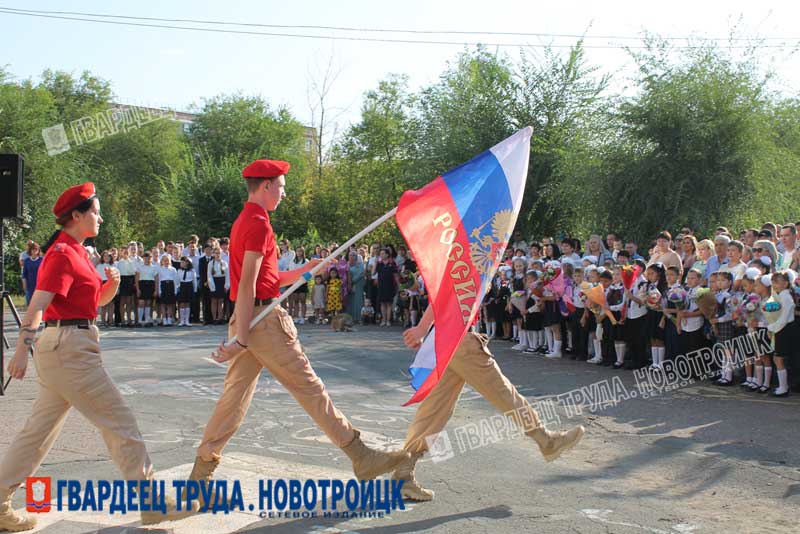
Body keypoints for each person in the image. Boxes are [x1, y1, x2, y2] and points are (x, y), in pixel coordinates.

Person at [187, 159, 409, 509]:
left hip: (250, 316)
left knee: (233, 400)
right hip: (262, 322)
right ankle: (360, 454)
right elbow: (247, 285)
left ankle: (199, 478)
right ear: (266, 187)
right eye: (282, 185)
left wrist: (304, 271)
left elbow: (266, 281)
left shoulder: (246, 220)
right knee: (309, 387)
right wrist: (242, 339)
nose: (285, 192)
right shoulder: (259, 224)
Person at [0, 183, 194, 531]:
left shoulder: (77, 251)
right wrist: (19, 351)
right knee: (120, 422)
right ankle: (152, 502)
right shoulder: (62, 253)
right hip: (71, 350)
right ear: (77, 215)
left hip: (71, 345)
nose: (101, 218)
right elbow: (39, 305)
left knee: (37, 434)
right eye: (95, 212)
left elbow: (87, 306)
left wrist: (111, 288)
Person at [393, 305, 585, 502]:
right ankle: (545, 439)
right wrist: (423, 327)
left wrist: (425, 328)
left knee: (435, 410)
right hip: (460, 341)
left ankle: (403, 473)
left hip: (448, 339)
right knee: (502, 392)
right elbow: (445, 290)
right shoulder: (474, 271)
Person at [207, 247, 230, 325]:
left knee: (220, 301)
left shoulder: (224, 263)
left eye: (219, 253)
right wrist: (212, 286)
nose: (217, 255)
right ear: (213, 254)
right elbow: (209, 275)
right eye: (216, 253)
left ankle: (220, 318)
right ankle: (214, 318)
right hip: (214, 281)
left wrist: (227, 285)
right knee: (214, 301)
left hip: (222, 282)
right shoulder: (210, 264)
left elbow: (227, 275)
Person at [134, 252, 158, 327]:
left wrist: (156, 290)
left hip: (150, 285)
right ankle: (140, 320)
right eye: (145, 258)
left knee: (148, 303)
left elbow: (156, 280)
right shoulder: (139, 267)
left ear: (151, 258)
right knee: (141, 303)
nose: (147, 260)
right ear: (143, 259)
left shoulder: (154, 267)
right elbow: (137, 279)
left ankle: (147, 320)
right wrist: (138, 289)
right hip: (142, 285)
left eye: (149, 258)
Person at [156, 253, 178, 326]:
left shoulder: (173, 269)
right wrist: (159, 290)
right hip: (163, 286)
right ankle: (164, 319)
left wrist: (175, 290)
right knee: (163, 304)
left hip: (170, 286)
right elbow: (159, 281)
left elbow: (175, 281)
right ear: (162, 261)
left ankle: (169, 318)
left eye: (167, 260)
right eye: (164, 260)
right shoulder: (160, 270)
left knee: (170, 304)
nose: (166, 262)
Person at [289, 246, 309, 324]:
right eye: (298, 251)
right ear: (296, 252)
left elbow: (308, 271)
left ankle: (303, 317)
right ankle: (296, 317)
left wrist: (304, 279)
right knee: (296, 301)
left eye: (300, 251)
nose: (299, 253)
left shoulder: (306, 261)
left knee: (303, 300)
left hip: (303, 282)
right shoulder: (292, 261)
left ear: (303, 252)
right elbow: (291, 272)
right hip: (295, 282)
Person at [95, 250, 114, 326]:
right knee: (103, 304)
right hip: (102, 283)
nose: (106, 257)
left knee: (111, 304)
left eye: (108, 256)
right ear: (102, 257)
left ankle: (111, 321)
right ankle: (103, 321)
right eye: (105, 256)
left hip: (111, 283)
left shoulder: (113, 266)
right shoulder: (99, 266)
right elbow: (97, 277)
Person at [176, 257, 197, 327]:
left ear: (187, 262)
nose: (181, 263)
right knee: (182, 303)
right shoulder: (179, 270)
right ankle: (182, 320)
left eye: (183, 262)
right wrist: (177, 288)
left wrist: (195, 289)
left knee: (187, 303)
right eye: (181, 262)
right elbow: (177, 280)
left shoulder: (192, 270)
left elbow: (194, 280)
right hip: (182, 286)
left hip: (189, 286)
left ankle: (187, 320)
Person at [346, 251, 366, 321]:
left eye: (353, 255)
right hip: (349, 286)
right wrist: (349, 284)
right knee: (350, 302)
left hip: (358, 285)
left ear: (356, 257)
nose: (351, 257)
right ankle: (350, 318)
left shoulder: (360, 265)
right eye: (350, 255)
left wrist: (352, 282)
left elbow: (361, 274)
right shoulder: (347, 264)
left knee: (358, 301)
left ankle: (359, 318)